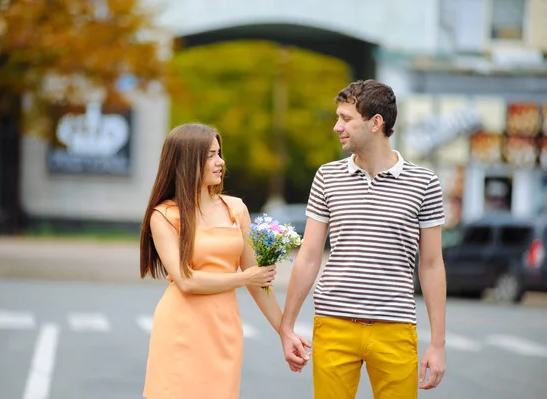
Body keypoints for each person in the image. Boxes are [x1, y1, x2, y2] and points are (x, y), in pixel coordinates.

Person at [279, 80, 447, 398]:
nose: (336, 127)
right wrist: (287, 326)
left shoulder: (424, 183)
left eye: (345, 118)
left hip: (395, 329)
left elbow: (431, 265)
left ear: (375, 123)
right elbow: (310, 255)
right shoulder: (327, 177)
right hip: (334, 324)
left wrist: (437, 344)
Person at [139, 122, 308, 399]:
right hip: (180, 328)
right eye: (211, 155)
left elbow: (258, 281)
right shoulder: (165, 216)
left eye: (219, 153)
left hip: (224, 329)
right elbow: (186, 280)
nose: (221, 162)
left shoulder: (236, 209)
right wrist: (244, 278)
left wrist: (284, 331)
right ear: (187, 161)